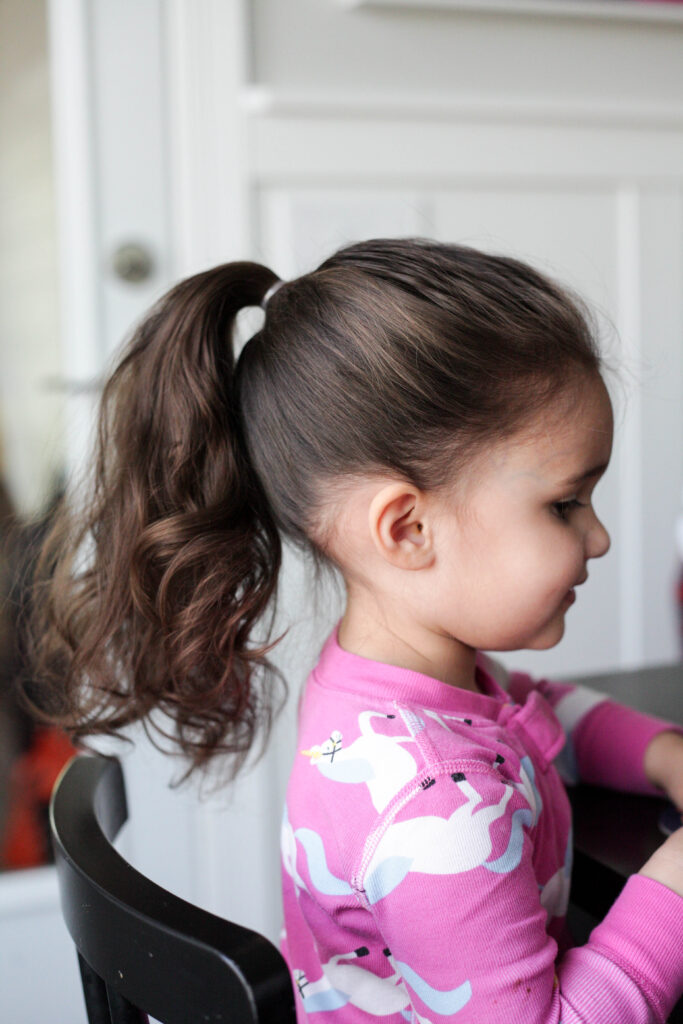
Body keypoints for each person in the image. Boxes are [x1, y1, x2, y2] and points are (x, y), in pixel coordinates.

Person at [32, 238, 683, 1022]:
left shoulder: (387, 687)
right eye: (564, 504)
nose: (598, 536)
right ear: (406, 528)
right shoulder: (431, 809)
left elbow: (529, 713)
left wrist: (659, 754)